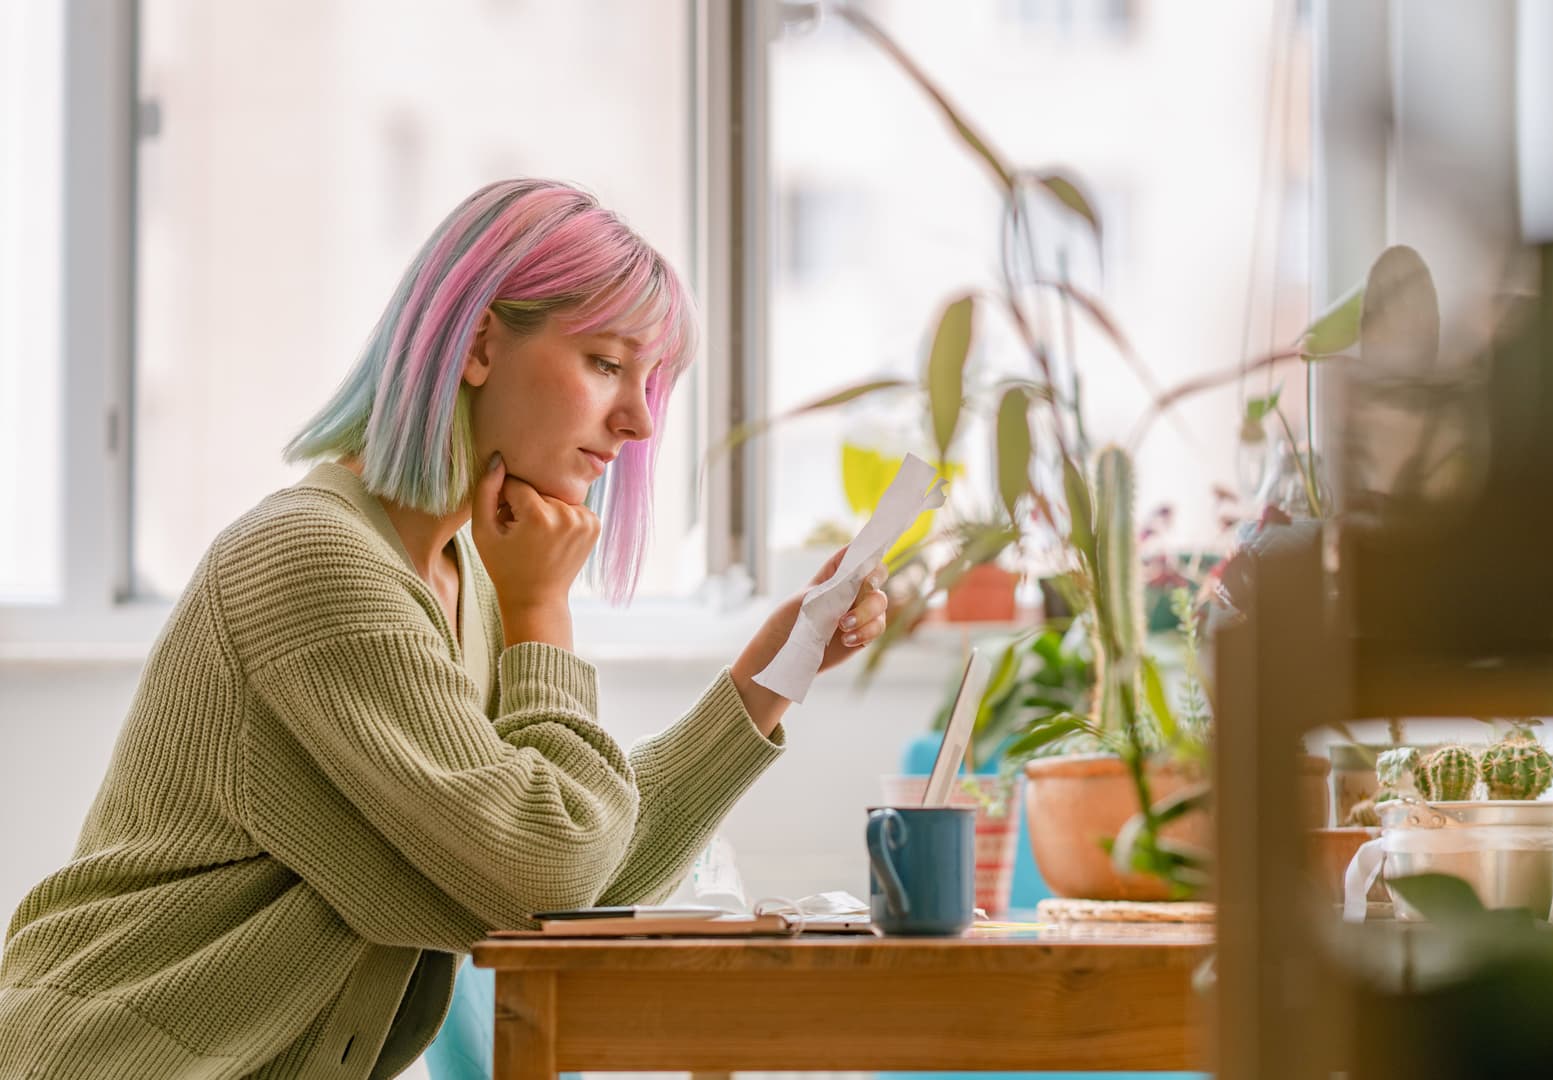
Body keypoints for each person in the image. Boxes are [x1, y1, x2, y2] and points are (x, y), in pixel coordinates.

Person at [0, 178, 888, 1079]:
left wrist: (770, 677)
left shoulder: (467, 585)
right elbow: (549, 869)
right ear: (476, 342)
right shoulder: (314, 560)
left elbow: (584, 881)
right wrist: (545, 615)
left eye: (649, 382)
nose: (640, 421)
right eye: (608, 365)